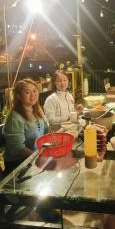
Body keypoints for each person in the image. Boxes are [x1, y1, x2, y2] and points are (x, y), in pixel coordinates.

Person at [2, 78, 59, 223]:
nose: (32, 95)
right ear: (19, 96)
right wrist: (39, 156)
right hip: (18, 166)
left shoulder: (37, 110)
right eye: (27, 92)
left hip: (35, 159)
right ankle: (42, 211)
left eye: (34, 91)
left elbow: (47, 131)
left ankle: (44, 207)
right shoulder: (15, 117)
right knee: (49, 176)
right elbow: (17, 148)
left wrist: (54, 145)